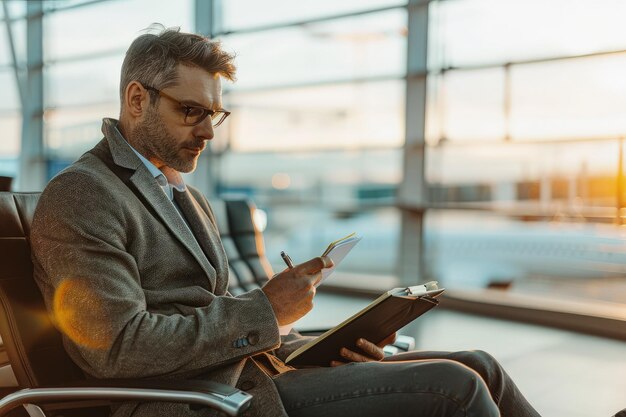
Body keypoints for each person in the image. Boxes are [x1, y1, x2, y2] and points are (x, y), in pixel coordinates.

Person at [30, 26, 541, 417]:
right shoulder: (84, 194)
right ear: (137, 100)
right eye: (191, 111)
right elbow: (117, 347)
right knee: (455, 386)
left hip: (251, 370)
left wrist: (323, 345)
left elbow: (204, 307)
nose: (209, 131)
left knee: (480, 363)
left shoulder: (181, 193)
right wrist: (265, 311)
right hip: (198, 398)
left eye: (215, 114)